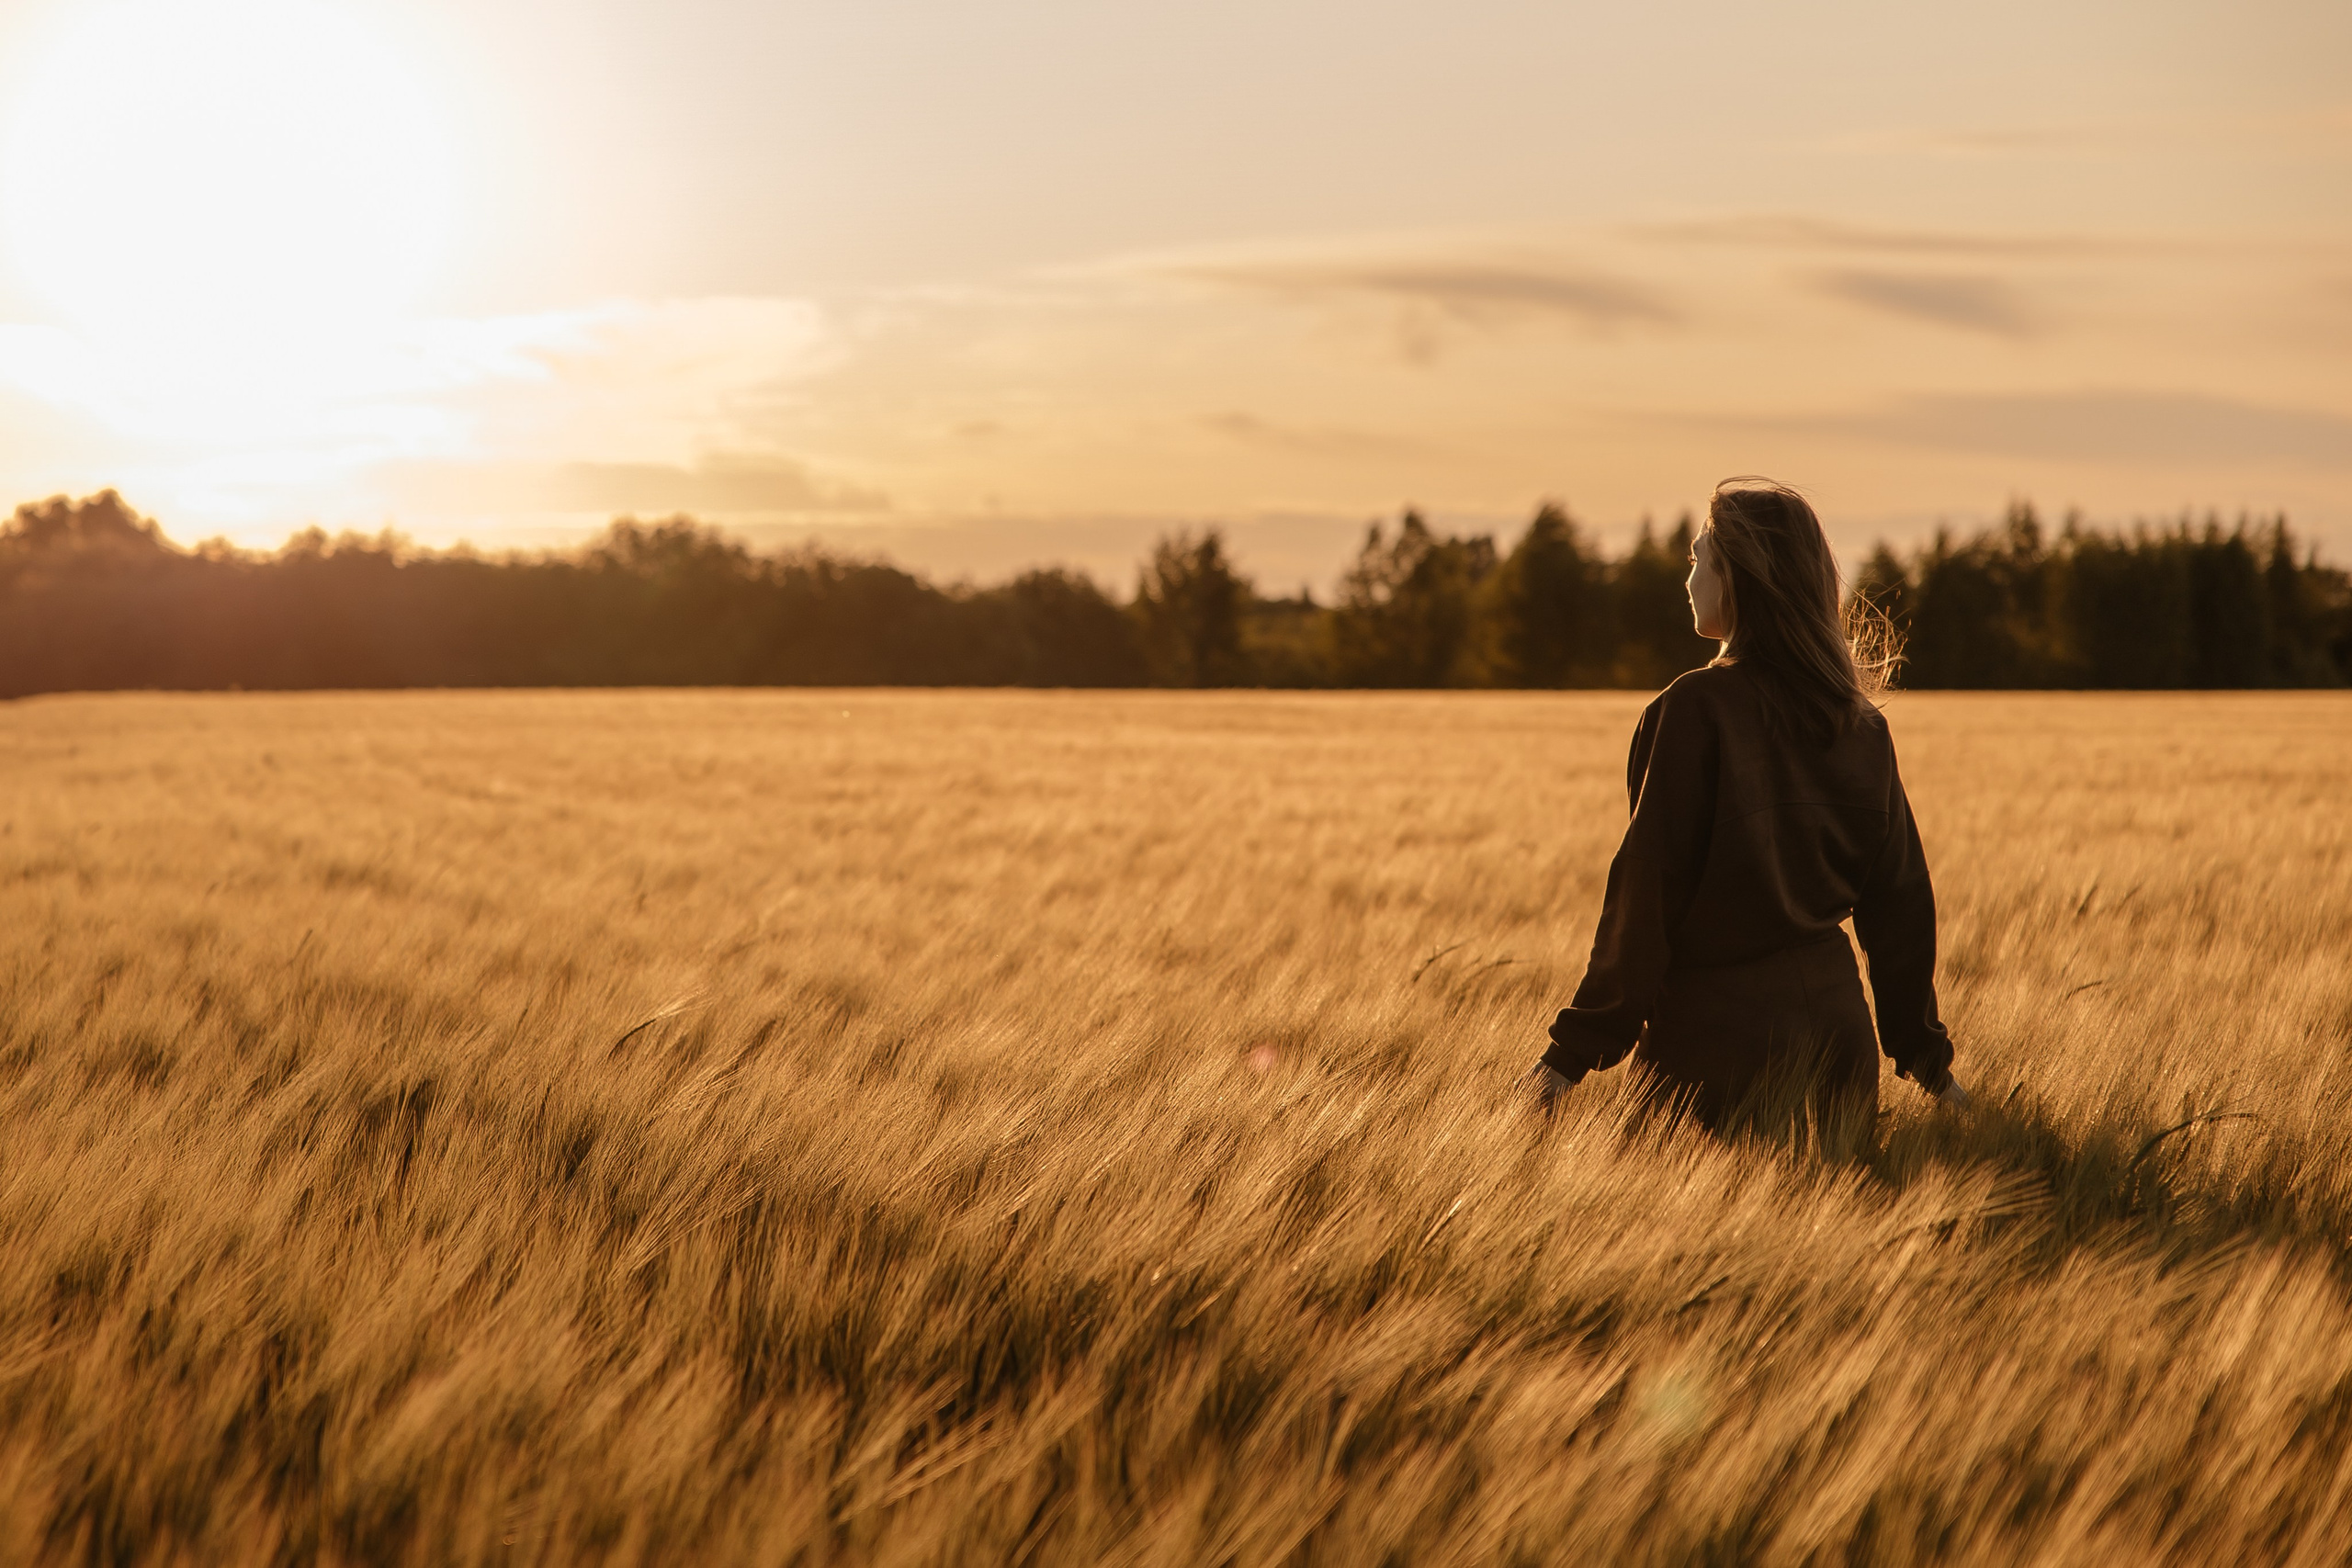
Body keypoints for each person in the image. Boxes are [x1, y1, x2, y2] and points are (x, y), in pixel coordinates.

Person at [1532, 479, 1964, 1134]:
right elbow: (1900, 906)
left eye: (1700, 557)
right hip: (1836, 1056)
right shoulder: (1861, 726)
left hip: (1714, 1053)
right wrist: (1930, 1065)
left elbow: (1647, 899)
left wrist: (1566, 1060)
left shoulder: (1692, 709)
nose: (1689, 574)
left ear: (1739, 576)